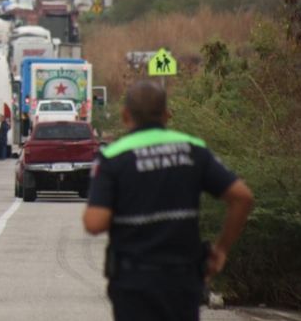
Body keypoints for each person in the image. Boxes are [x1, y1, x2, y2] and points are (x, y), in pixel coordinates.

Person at [83, 81, 254, 321]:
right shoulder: (193, 150)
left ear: (124, 116)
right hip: (182, 279)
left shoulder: (112, 157)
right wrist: (221, 248)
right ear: (167, 115)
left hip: (134, 282)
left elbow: (94, 223)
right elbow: (242, 197)